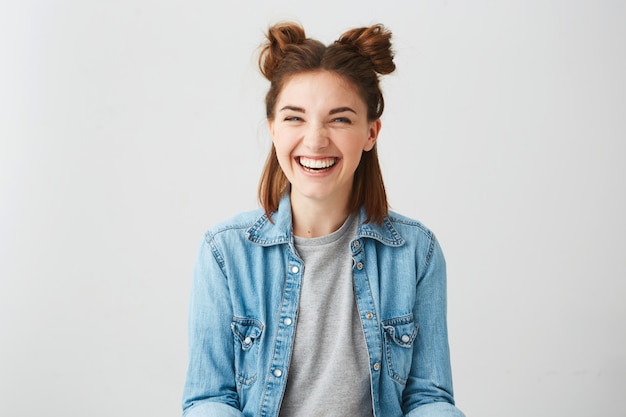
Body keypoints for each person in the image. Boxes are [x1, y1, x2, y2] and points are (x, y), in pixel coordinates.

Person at [182, 21, 465, 417]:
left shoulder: (418, 252)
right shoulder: (224, 252)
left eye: (340, 119)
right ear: (273, 129)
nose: (315, 140)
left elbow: (428, 399)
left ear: (371, 132)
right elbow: (209, 400)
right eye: (294, 118)